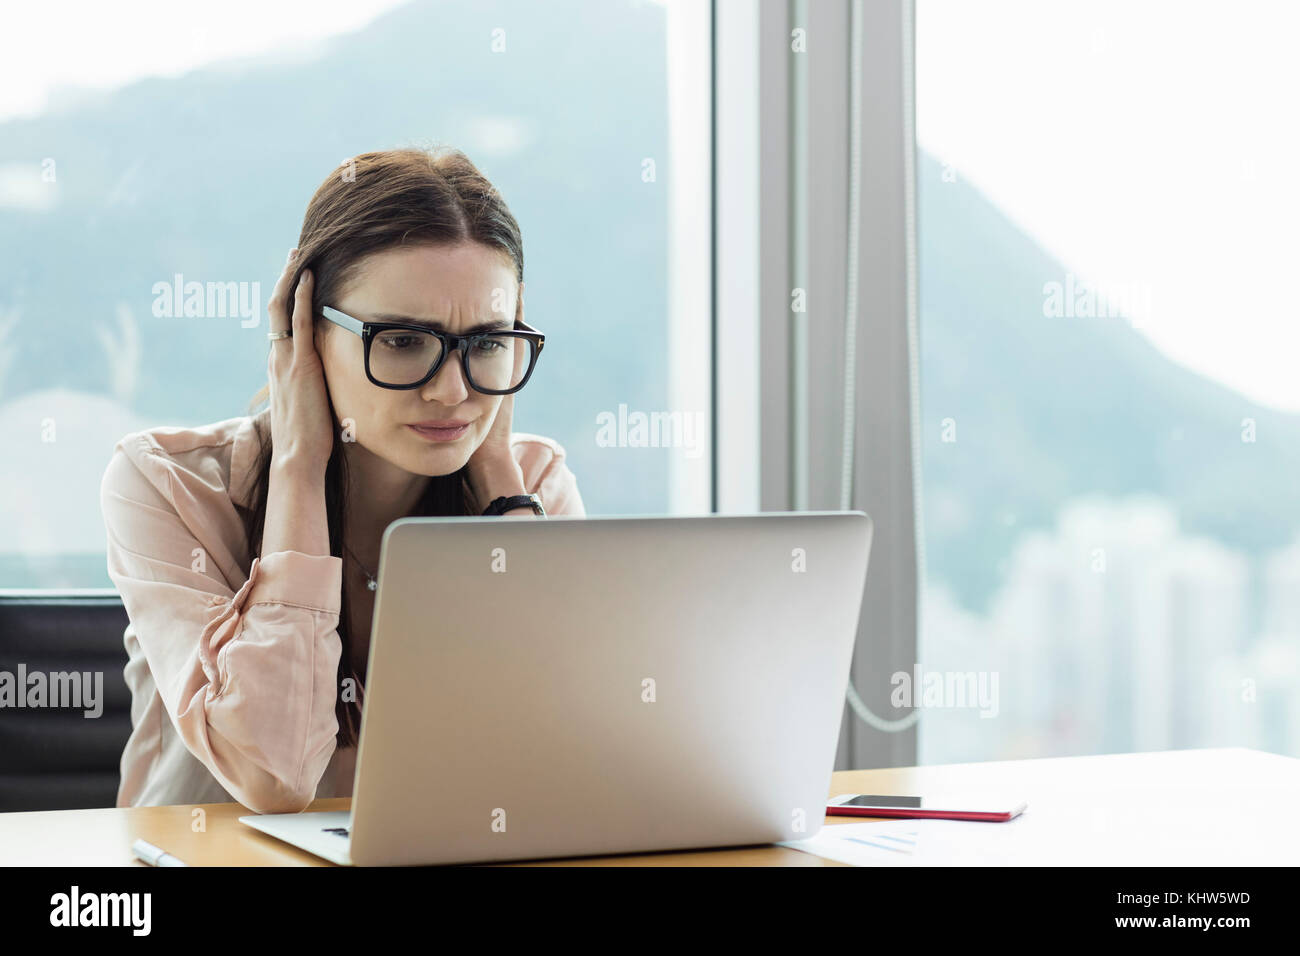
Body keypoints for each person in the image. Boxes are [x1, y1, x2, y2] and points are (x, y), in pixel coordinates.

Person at [100, 147, 584, 813]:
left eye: (487, 343)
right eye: (404, 341)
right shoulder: (167, 486)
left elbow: (567, 755)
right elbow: (275, 777)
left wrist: (500, 480)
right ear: (304, 333)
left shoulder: (532, 486)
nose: (452, 391)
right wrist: (300, 469)